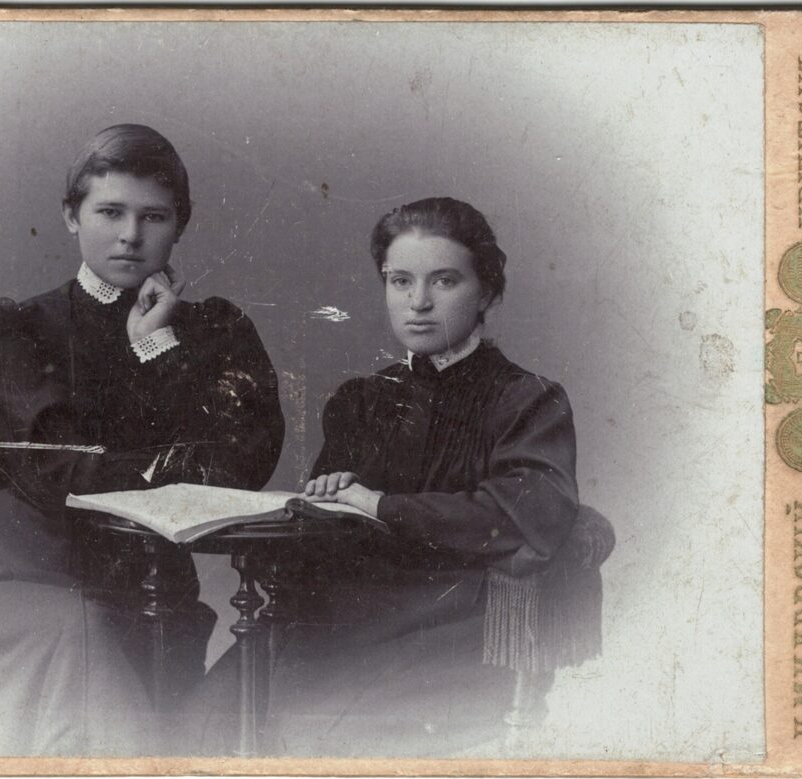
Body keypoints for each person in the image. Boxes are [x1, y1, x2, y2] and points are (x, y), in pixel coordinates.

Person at [0, 124, 284, 756]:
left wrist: (158, 346)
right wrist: (172, 471)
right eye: (110, 212)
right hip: (17, 568)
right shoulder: (16, 329)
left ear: (180, 224)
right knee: (82, 637)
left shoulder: (214, 329)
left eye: (153, 216)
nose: (131, 235)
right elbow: (61, 470)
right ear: (71, 216)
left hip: (149, 576)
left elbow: (243, 463)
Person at [185, 197, 585, 757]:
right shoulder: (365, 400)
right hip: (344, 617)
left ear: (487, 292)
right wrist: (326, 500)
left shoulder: (527, 400)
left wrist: (378, 505)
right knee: (200, 724)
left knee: (304, 736)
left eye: (444, 281)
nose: (418, 302)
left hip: (451, 628)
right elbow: (324, 536)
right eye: (400, 281)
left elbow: (523, 517)